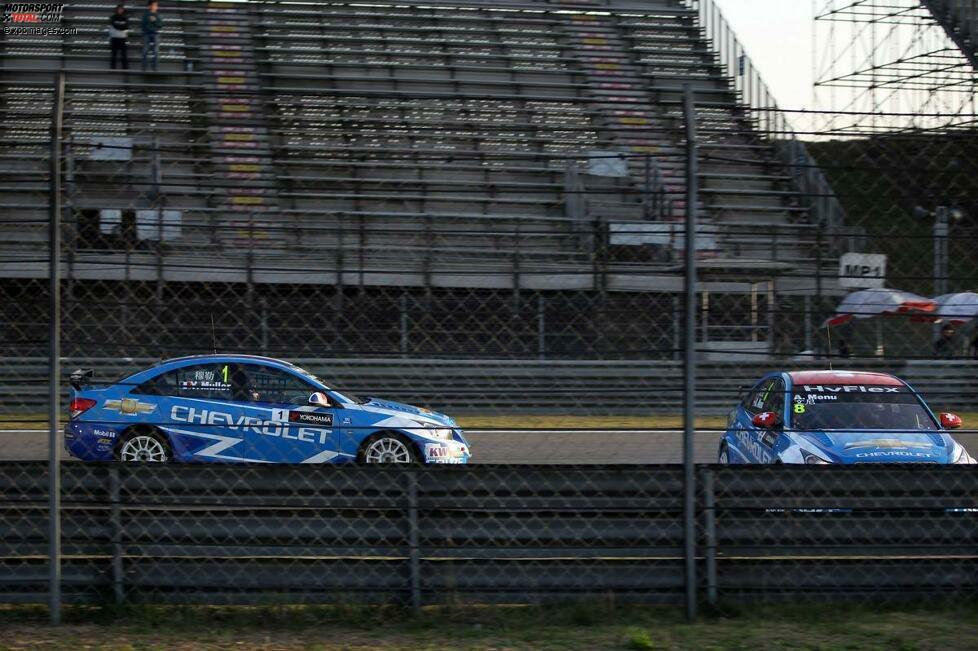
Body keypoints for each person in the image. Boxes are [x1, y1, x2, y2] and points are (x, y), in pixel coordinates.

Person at [141, 0, 162, 71]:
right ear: (150, 6)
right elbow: (143, 25)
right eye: (154, 5)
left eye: (156, 5)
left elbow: (160, 25)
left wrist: (154, 21)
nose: (155, 7)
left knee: (156, 51)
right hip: (147, 34)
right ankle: (144, 66)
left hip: (155, 34)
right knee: (145, 50)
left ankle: (155, 66)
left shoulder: (158, 15)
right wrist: (146, 30)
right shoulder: (146, 15)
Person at [108, 4, 129, 70]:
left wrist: (118, 26)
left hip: (122, 38)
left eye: (121, 9)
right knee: (114, 54)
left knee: (124, 54)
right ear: (116, 10)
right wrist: (121, 26)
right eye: (119, 9)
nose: (120, 10)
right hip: (114, 37)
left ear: (123, 10)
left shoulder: (125, 18)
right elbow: (114, 25)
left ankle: (125, 68)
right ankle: (113, 68)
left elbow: (126, 26)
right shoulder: (112, 17)